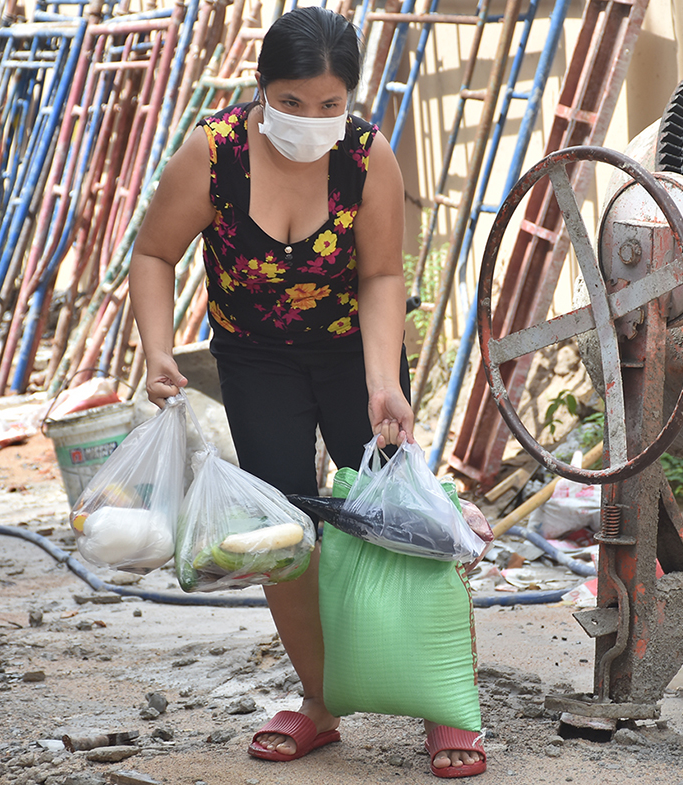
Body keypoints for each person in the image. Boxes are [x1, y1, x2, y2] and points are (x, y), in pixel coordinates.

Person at [128, 6, 486, 779]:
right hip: (253, 361)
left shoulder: (366, 157)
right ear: (261, 89)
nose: (311, 120)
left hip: (353, 354)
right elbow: (154, 251)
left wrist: (383, 380)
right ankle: (321, 701)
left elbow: (383, 274)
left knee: (400, 522)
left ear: (349, 99)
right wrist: (157, 348)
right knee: (281, 537)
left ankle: (442, 707)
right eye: (291, 103)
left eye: (330, 104)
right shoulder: (213, 152)